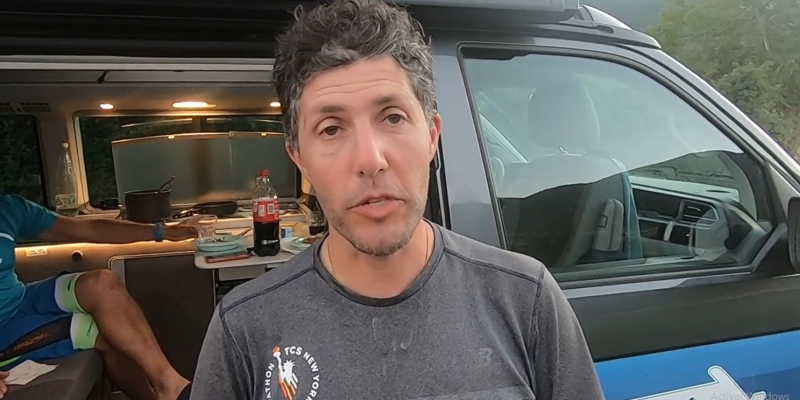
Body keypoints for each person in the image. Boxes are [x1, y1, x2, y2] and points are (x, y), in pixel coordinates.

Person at [191, 0, 605, 399]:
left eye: (393, 117)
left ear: (432, 136)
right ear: (299, 159)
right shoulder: (243, 330)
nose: (370, 160)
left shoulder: (526, 300)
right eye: (331, 129)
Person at [0, 194, 197, 400]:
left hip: (21, 299)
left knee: (102, 283)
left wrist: (162, 231)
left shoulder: (8, 208)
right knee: (104, 330)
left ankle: (171, 386)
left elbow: (89, 229)